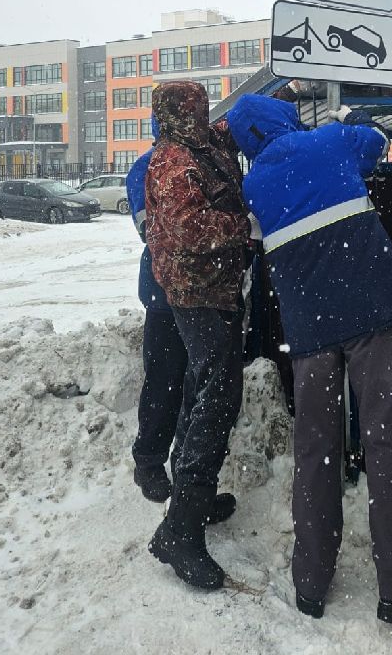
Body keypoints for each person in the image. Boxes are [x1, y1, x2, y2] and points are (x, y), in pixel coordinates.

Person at [226, 94, 392, 627]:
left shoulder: (252, 187)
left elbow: (259, 236)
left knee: (315, 448)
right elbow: (378, 145)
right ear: (285, 119)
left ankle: (311, 582)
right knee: (386, 439)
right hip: (368, 315)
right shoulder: (329, 141)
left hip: (311, 333)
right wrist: (353, 119)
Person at [146, 81, 253, 591]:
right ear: (172, 116)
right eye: (190, 110)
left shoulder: (203, 144)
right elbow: (190, 230)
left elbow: (232, 130)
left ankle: (191, 497)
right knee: (218, 395)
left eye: (203, 108)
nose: (200, 116)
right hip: (195, 294)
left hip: (219, 290)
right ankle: (181, 529)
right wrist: (243, 226)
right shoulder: (171, 162)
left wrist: (284, 99)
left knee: (202, 385)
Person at [126, 120, 188, 504]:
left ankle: (188, 475)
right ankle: (149, 462)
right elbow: (154, 230)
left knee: (194, 386)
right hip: (165, 296)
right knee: (164, 381)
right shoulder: (146, 167)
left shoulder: (201, 159)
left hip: (202, 296)